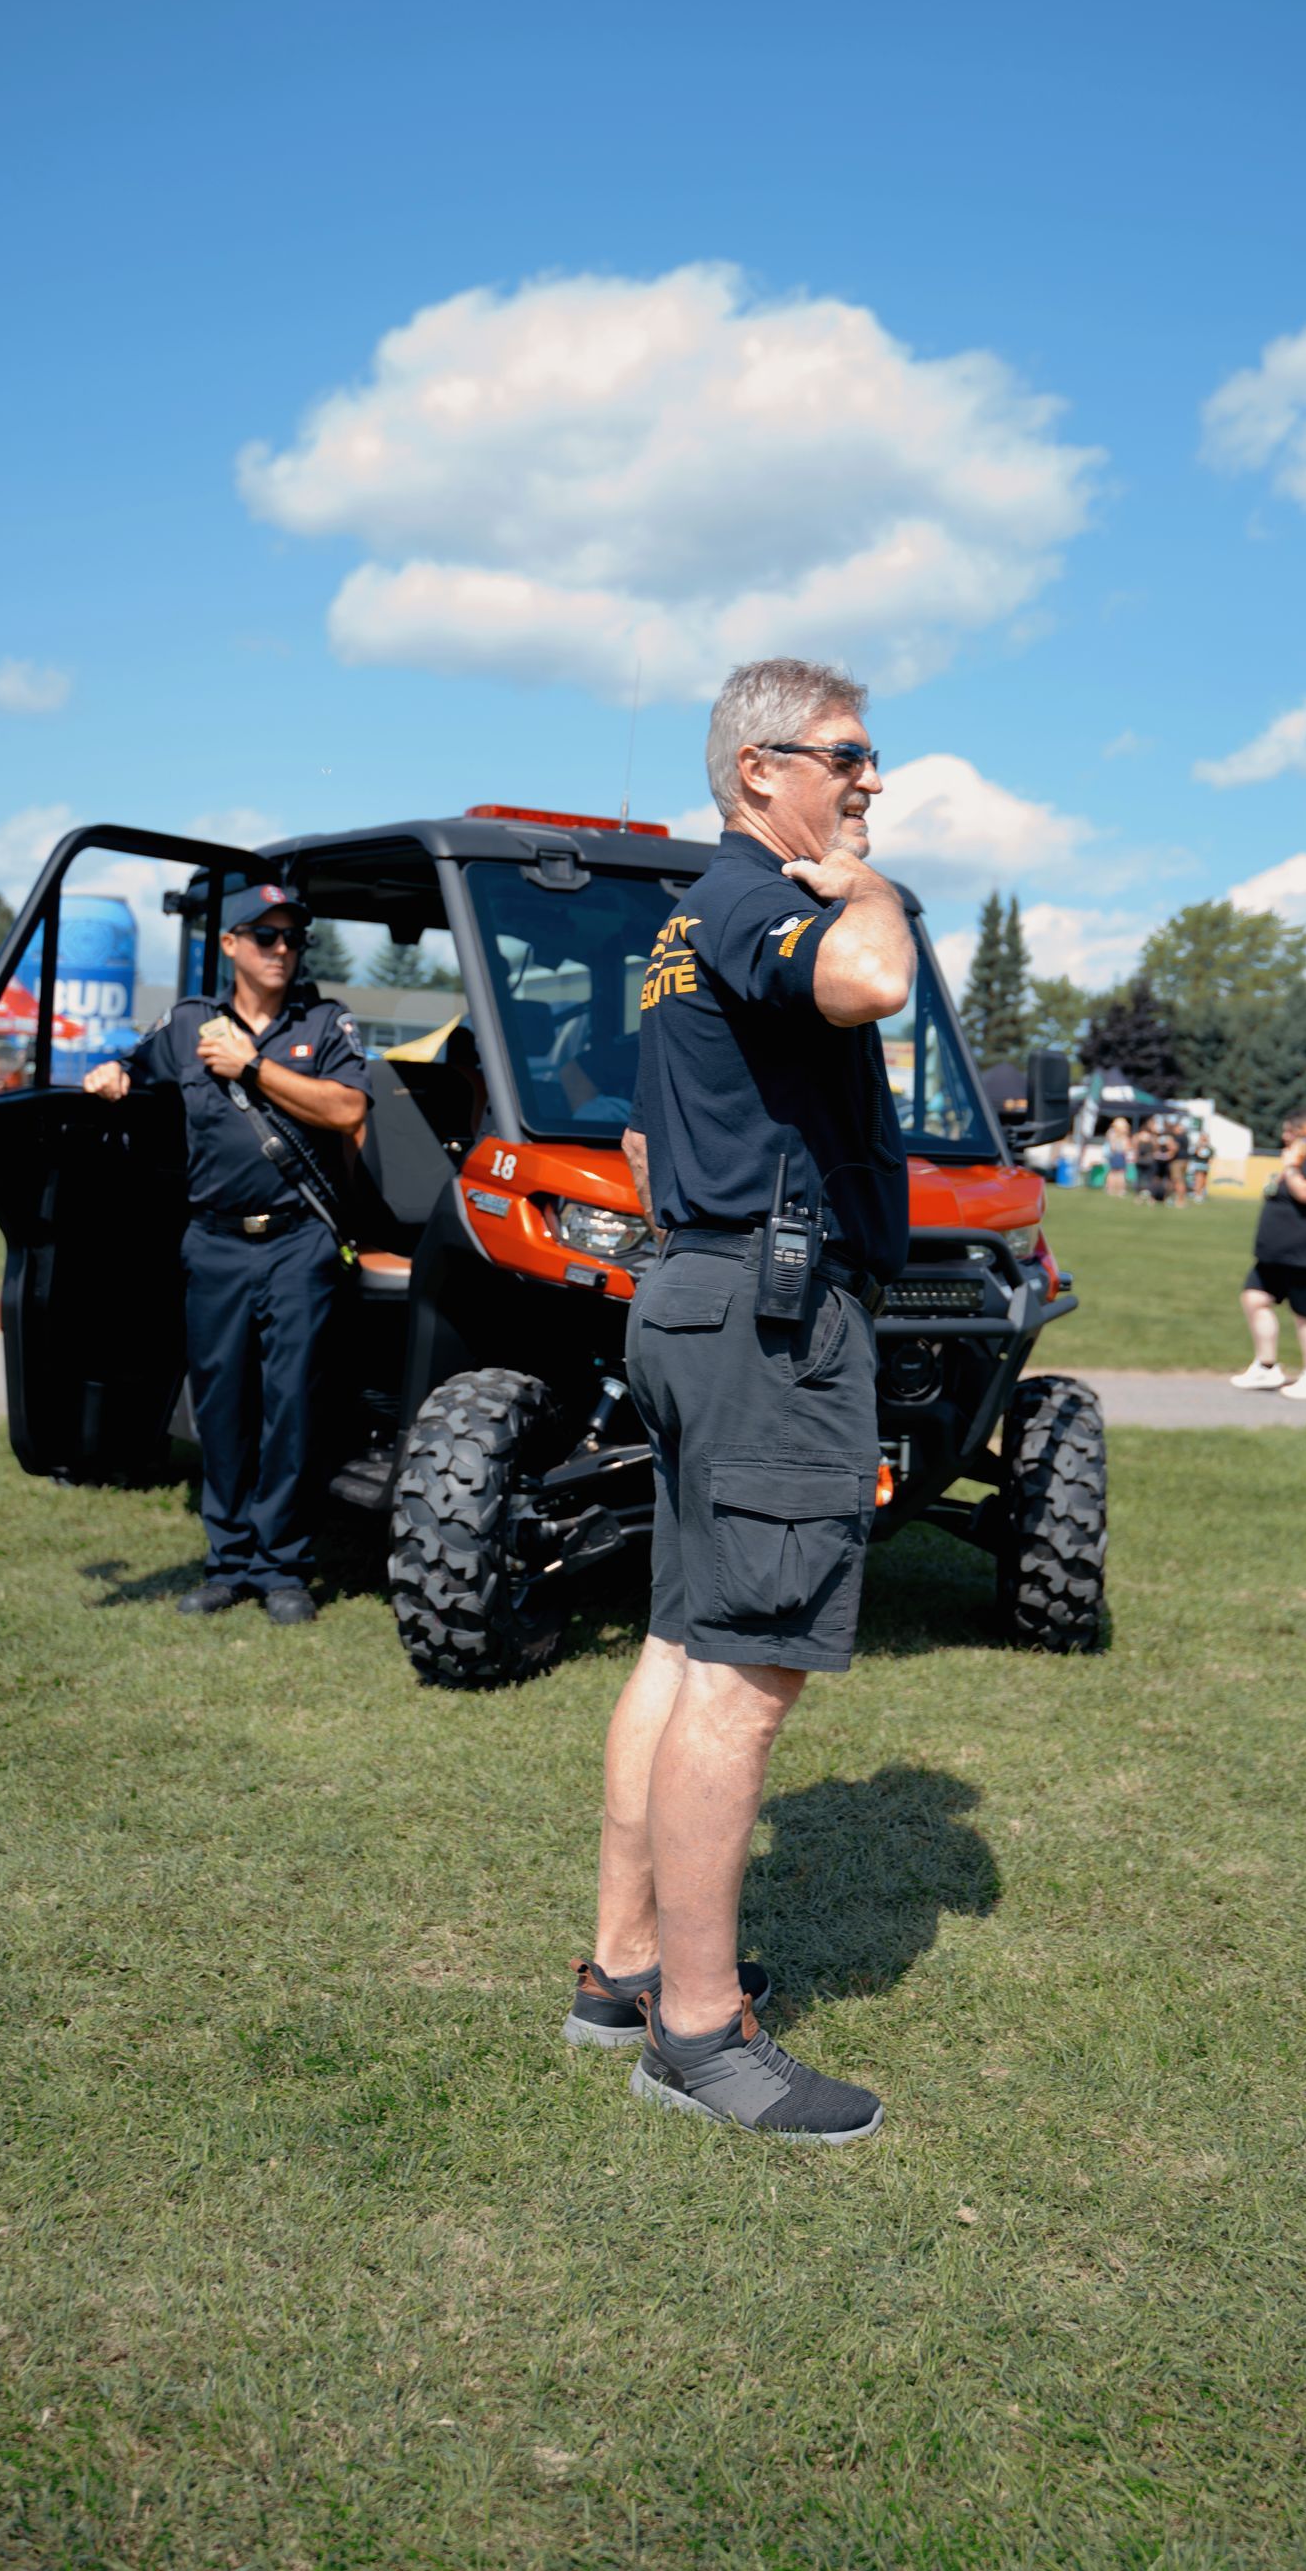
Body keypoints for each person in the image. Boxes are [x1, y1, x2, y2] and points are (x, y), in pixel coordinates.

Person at [569, 656, 912, 2147]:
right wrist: (872, 887)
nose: (871, 781)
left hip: (702, 1292)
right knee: (746, 1672)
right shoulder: (751, 898)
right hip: (766, 1318)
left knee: (682, 1636)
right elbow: (873, 979)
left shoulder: (680, 926)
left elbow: (654, 1143)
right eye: (849, 753)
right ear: (759, 770)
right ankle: (698, 2032)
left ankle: (626, 1970)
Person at [83, 884, 370, 1619]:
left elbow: (347, 1108)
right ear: (231, 945)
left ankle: (282, 1571)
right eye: (266, 937)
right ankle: (228, 1563)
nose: (282, 951)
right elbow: (136, 1064)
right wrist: (114, 1073)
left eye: (292, 938)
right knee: (221, 1407)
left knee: (291, 1407)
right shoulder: (188, 1025)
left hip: (298, 1241)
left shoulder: (325, 1023)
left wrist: (251, 1068)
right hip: (213, 1241)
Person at [1231, 1112, 1306, 1399]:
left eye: (1290, 1133)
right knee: (1254, 1297)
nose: (1284, 1138)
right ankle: (1266, 1366)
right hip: (1278, 1253)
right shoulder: (1302, 1158)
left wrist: (1291, 1168)